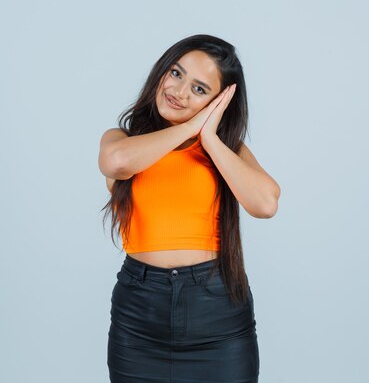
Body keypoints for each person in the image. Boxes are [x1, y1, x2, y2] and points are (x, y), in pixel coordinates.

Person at [98, 34, 281, 383]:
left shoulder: (225, 152)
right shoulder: (123, 140)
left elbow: (265, 203)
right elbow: (116, 162)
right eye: (176, 73)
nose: (179, 91)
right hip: (139, 316)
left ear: (218, 103)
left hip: (218, 315)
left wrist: (208, 138)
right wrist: (191, 125)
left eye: (199, 89)